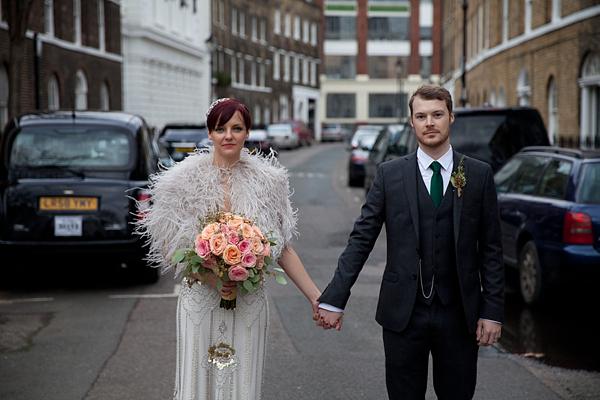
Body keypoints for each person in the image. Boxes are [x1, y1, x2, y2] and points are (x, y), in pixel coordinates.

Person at [316, 85, 504, 400]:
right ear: (413, 122)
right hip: (402, 313)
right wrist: (334, 298)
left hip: (459, 314)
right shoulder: (389, 174)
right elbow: (362, 238)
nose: (429, 122)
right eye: (421, 116)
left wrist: (492, 311)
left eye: (437, 115)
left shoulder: (477, 174)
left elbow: (491, 249)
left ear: (451, 117)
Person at [137, 98, 321, 399]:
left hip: (248, 300)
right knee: (197, 384)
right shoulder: (180, 182)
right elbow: (171, 249)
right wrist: (211, 278)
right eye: (220, 128)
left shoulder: (270, 182)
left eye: (237, 128)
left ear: (247, 132)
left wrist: (316, 297)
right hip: (200, 299)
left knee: (243, 382)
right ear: (210, 133)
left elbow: (283, 248)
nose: (228, 136)